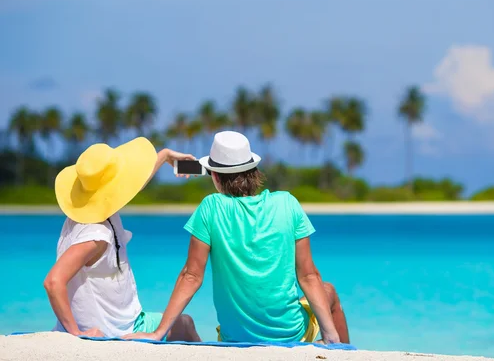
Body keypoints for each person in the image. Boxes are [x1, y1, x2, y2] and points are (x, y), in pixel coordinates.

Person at [124, 131, 350, 344]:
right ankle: (339, 347)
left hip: (235, 339)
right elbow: (309, 276)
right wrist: (328, 334)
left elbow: (191, 276)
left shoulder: (210, 208)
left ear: (214, 175)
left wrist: (158, 333)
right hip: (291, 336)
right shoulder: (287, 203)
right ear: (253, 170)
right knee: (328, 290)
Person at [44, 137, 201, 341]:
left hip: (113, 322)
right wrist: (77, 334)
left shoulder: (81, 214)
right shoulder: (97, 234)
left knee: (181, 323)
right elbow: (53, 282)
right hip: (117, 330)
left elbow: (135, 184)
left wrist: (164, 156)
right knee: (185, 323)